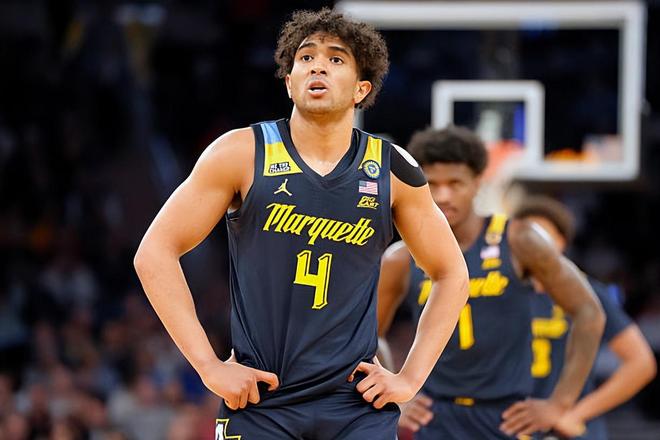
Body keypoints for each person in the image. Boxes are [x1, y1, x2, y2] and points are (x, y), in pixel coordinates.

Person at [133, 8, 469, 439]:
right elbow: (154, 253)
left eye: (335, 59)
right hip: (260, 400)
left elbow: (452, 273)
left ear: (361, 88)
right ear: (289, 82)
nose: (317, 66)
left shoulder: (392, 170)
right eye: (306, 57)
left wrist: (410, 378)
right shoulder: (240, 152)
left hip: (354, 406)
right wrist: (208, 366)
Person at [376, 126, 605, 439]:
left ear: (477, 182)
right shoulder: (401, 257)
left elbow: (589, 313)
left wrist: (559, 404)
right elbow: (367, 333)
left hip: (507, 416)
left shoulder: (519, 239)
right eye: (433, 184)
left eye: (455, 183)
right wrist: (398, 393)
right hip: (435, 416)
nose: (443, 195)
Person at [513, 195, 657, 439]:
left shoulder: (586, 292)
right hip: (508, 425)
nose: (532, 244)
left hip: (564, 430)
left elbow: (641, 363)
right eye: (525, 236)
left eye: (541, 236)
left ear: (561, 242)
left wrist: (575, 414)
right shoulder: (494, 290)